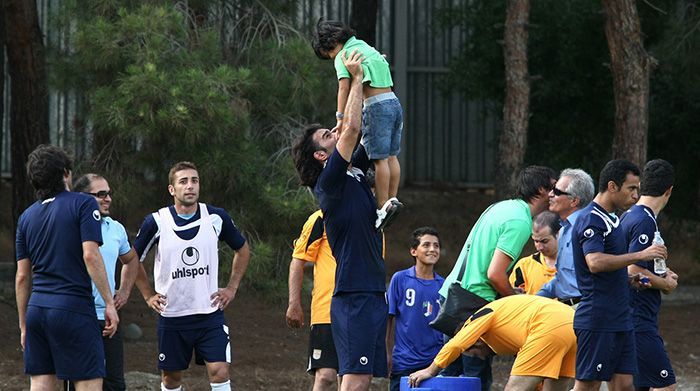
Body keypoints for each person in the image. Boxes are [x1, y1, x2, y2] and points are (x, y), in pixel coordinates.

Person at [292, 50, 387, 391]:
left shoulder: (355, 170)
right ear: (321, 156)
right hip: (354, 292)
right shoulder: (329, 183)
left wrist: (375, 77)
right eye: (325, 136)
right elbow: (351, 129)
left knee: (365, 378)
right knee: (354, 379)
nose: (333, 132)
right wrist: (357, 79)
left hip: (375, 289)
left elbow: (367, 129)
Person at [132, 161, 251, 391]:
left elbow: (243, 250)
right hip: (173, 316)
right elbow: (131, 259)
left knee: (220, 371)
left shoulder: (216, 217)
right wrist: (147, 295)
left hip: (209, 314)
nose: (190, 186)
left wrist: (231, 288)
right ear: (172, 189)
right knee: (171, 379)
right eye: (183, 181)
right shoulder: (156, 222)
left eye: (194, 181)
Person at [438, 165, 556, 390]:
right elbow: (495, 274)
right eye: (553, 188)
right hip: (473, 304)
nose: (555, 195)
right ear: (541, 189)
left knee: (450, 378)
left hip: (453, 296)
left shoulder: (501, 207)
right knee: (476, 379)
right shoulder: (520, 221)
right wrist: (514, 300)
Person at [15, 144, 118, 390]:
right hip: (73, 308)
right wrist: (110, 303)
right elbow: (91, 256)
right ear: (65, 173)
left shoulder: (26, 217)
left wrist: (23, 325)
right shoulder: (83, 204)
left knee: (40, 382)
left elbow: (21, 276)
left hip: (37, 311)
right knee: (88, 381)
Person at [571, 159, 667, 391]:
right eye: (631, 188)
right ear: (612, 186)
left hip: (621, 318)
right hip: (599, 317)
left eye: (638, 189)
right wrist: (640, 255)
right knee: (588, 384)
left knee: (624, 384)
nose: (636, 195)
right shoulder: (591, 218)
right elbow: (594, 262)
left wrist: (629, 280)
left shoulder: (613, 219)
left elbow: (608, 268)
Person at [312, 18, 404, 230]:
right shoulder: (366, 47)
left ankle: (382, 206)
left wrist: (340, 118)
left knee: (379, 160)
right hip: (394, 102)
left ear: (329, 45)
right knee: (391, 156)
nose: (331, 58)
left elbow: (344, 88)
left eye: (328, 55)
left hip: (376, 107)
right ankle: (393, 199)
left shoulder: (343, 56)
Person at [64, 174, 140, 391]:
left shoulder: (115, 228)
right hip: (78, 316)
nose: (108, 199)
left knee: (115, 384)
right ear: (81, 197)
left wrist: (124, 291)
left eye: (109, 193)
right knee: (79, 382)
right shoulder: (68, 226)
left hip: (109, 319)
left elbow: (131, 259)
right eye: (100, 194)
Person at [408, 295, 576, 391]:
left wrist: (430, 371)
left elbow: (456, 344)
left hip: (547, 326)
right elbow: (534, 374)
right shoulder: (509, 330)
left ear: (475, 341)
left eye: (472, 354)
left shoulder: (477, 319)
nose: (479, 358)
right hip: (574, 325)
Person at [620, 159, 678, 391]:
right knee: (666, 386)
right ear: (669, 190)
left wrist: (663, 272)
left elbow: (638, 263)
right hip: (638, 319)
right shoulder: (644, 221)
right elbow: (632, 270)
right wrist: (664, 283)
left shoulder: (630, 215)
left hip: (632, 317)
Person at [286, 209, 339, 390]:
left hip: (359, 311)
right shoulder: (320, 218)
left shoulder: (371, 219)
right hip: (327, 310)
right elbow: (298, 260)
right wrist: (294, 302)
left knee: (351, 377)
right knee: (326, 375)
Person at [386, 227, 445, 391]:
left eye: (436, 246)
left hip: (433, 364)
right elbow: (388, 319)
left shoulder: (443, 285)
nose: (432, 249)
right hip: (404, 362)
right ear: (414, 251)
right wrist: (386, 353)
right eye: (426, 245)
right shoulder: (400, 279)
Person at [537, 168, 595, 306]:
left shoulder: (589, 229)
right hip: (564, 308)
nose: (550, 194)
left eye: (557, 192)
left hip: (584, 308)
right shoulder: (563, 230)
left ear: (574, 201)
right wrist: (533, 299)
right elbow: (562, 279)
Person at [509, 211, 560, 295]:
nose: (539, 247)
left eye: (544, 241)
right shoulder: (524, 266)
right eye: (536, 241)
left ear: (559, 234)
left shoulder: (573, 263)